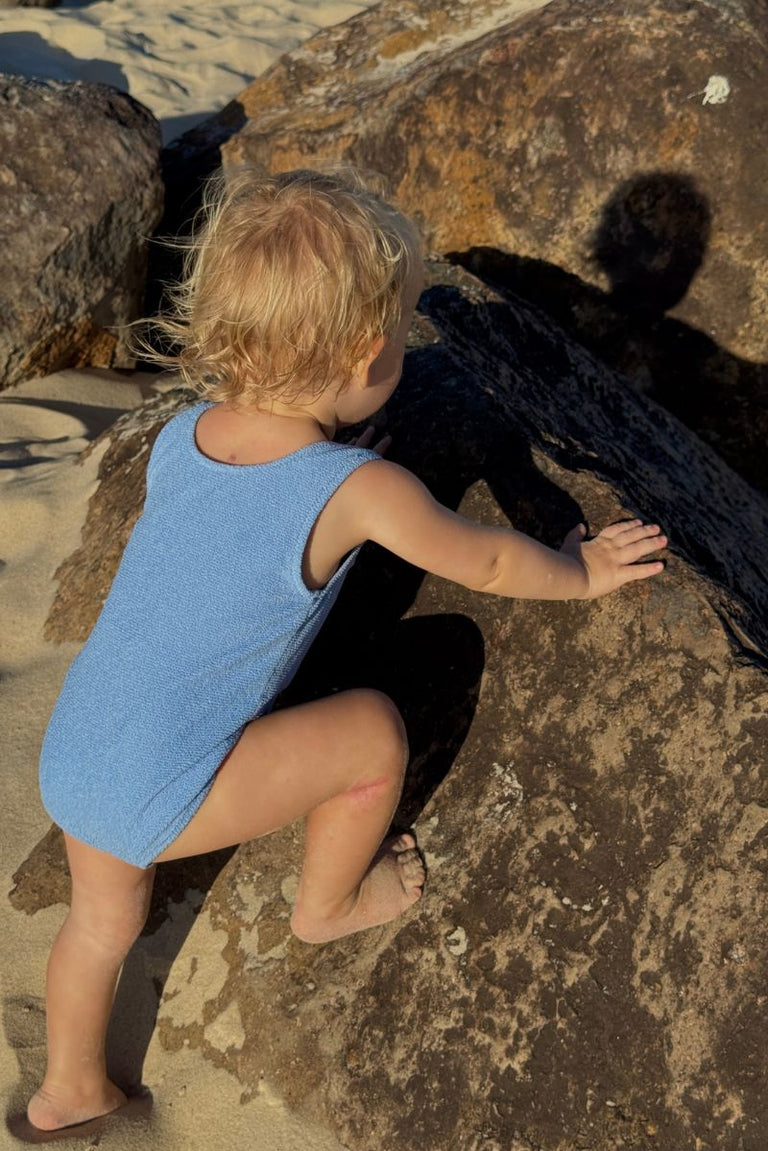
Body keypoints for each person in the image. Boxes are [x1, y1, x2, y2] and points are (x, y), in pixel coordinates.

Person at [24, 168, 667, 1136]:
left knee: (100, 923)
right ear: (368, 355)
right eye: (402, 330)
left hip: (78, 752)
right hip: (164, 784)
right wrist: (580, 573)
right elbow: (490, 560)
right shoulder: (361, 489)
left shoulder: (185, 434)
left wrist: (329, 444)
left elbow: (229, 531)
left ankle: (67, 1087)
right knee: (372, 732)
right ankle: (327, 905)